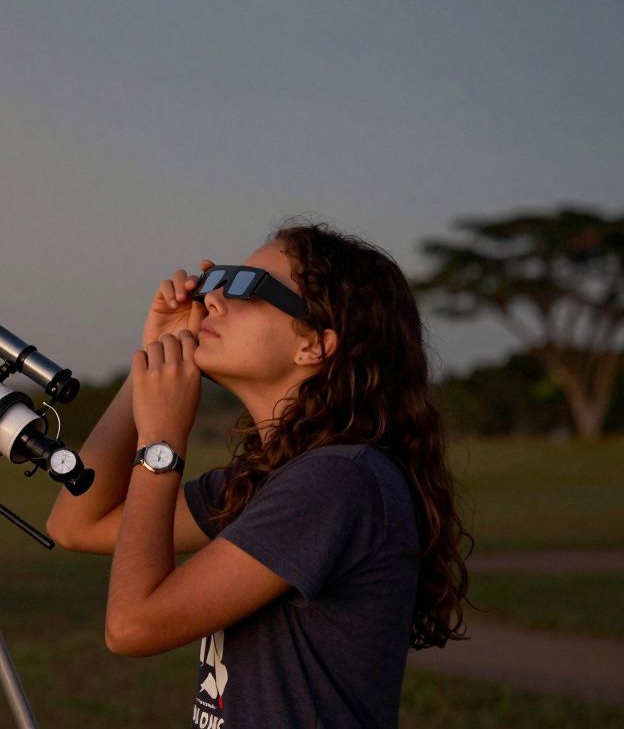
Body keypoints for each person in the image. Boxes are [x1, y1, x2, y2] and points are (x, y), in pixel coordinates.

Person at [46, 223, 470, 728]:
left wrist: (161, 443)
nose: (213, 300)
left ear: (314, 344)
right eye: (219, 279)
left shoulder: (337, 481)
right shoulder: (268, 477)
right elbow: (76, 523)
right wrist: (158, 359)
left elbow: (133, 626)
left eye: (247, 285)